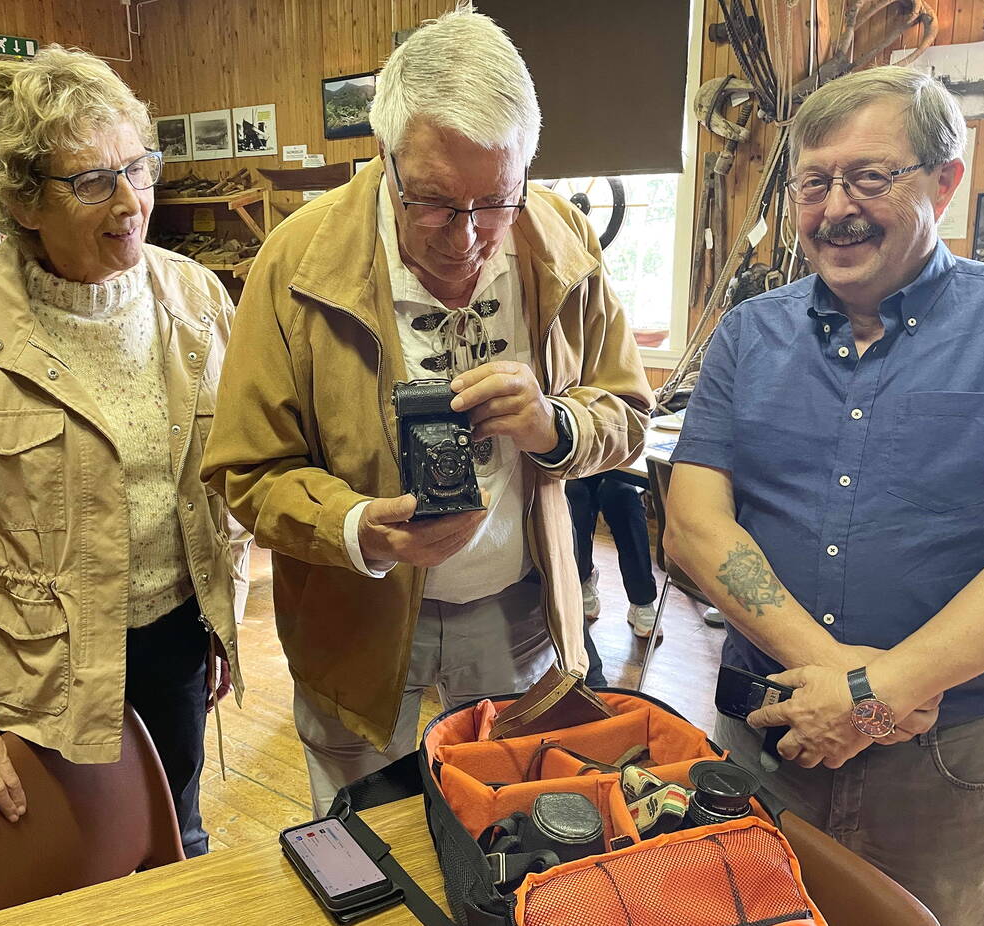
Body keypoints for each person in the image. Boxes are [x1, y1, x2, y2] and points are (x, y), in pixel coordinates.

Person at [663, 65, 984, 925]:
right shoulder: (748, 334)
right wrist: (852, 688)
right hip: (773, 727)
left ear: (946, 181)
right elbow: (693, 528)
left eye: (871, 176)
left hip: (943, 759)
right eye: (813, 183)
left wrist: (869, 697)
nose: (837, 209)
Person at [201, 5, 652, 815]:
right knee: (361, 831)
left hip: (518, 606)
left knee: (512, 820)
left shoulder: (563, 242)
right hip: (358, 618)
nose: (468, 238)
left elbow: (626, 411)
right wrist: (357, 526)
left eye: (496, 201)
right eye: (436, 203)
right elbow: (246, 470)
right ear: (383, 156)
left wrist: (556, 424)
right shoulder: (297, 261)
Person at [0, 46, 249, 858]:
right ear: (25, 200)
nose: (131, 201)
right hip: (27, 675)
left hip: (171, 641)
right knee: (61, 872)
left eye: (139, 167)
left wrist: (220, 617)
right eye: (92, 181)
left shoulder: (196, 299)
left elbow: (220, 483)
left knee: (175, 846)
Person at [567, 474, 659, 637]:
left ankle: (642, 600)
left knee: (622, 495)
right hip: (577, 465)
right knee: (574, 493)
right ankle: (583, 577)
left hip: (619, 465)